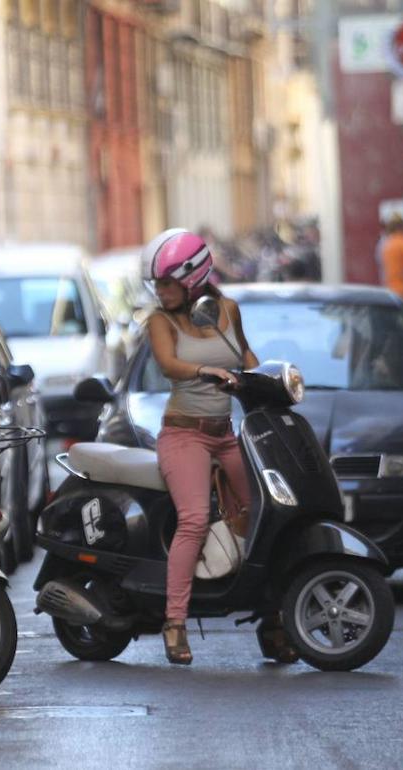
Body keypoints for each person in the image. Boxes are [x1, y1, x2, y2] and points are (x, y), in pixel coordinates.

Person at [143, 229, 292, 666]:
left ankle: (273, 618)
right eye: (157, 284)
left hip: (225, 432)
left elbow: (246, 358)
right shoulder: (159, 321)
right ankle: (174, 622)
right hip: (183, 433)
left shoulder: (226, 310)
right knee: (193, 519)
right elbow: (169, 364)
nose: (161, 291)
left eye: (167, 283)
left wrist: (274, 380)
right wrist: (204, 369)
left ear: (193, 278)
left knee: (263, 516)